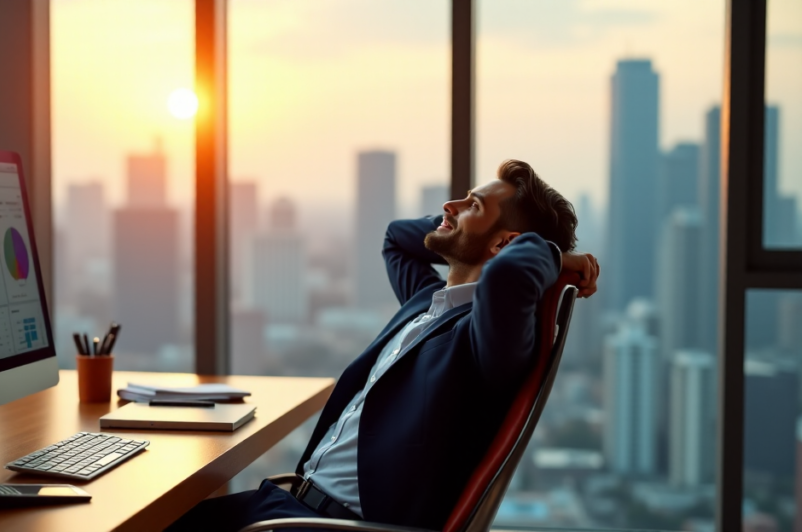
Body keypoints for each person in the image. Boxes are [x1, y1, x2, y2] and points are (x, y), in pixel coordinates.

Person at [166, 159, 600, 532]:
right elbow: (397, 239)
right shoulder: (425, 306)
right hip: (287, 507)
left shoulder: (486, 341)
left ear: (505, 243)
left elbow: (507, 276)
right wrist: (456, 223)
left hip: (332, 529)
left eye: (473, 206)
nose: (449, 206)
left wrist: (553, 254)